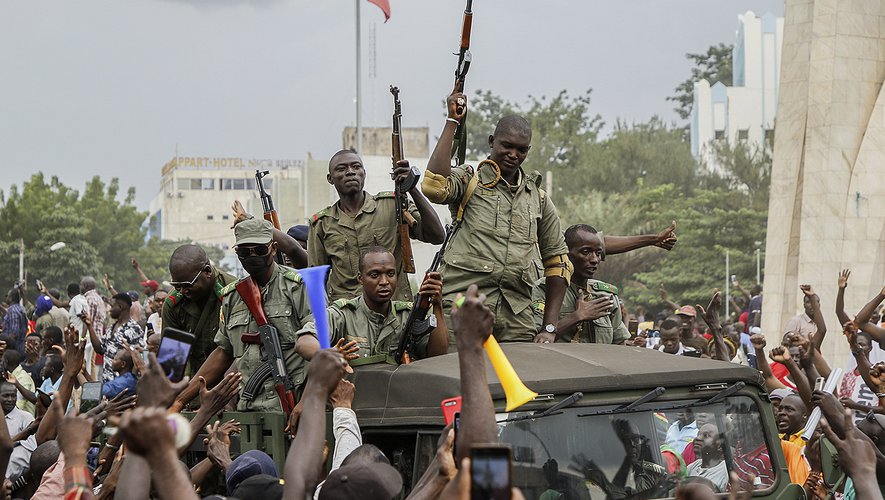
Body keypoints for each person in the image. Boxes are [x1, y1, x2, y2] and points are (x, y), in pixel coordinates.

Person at [422, 93, 571, 344]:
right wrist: (452, 121)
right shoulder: (471, 180)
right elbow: (433, 187)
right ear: (492, 141)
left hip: (516, 319)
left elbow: (558, 263)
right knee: (458, 379)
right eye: (507, 146)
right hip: (462, 307)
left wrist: (549, 327)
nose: (513, 154)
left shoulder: (539, 199)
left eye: (521, 150)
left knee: (514, 382)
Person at [174, 217, 312, 413]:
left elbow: (320, 351)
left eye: (260, 250)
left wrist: (306, 402)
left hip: (293, 404)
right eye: (245, 252)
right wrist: (180, 400)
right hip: (249, 408)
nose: (252, 256)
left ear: (273, 249)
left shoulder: (298, 287)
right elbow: (223, 352)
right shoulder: (233, 296)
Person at [308, 149, 445, 302]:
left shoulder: (393, 206)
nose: (350, 172)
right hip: (347, 316)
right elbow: (316, 282)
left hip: (394, 310)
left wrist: (411, 187)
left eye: (356, 167)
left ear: (364, 173)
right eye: (341, 169)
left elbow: (437, 235)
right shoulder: (321, 224)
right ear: (330, 178)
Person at [296, 247, 448, 365]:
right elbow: (304, 342)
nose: (384, 282)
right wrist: (327, 354)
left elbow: (437, 355)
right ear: (361, 278)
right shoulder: (343, 314)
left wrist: (437, 306)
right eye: (375, 275)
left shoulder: (407, 315)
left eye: (390, 274)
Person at [532, 224, 628, 344]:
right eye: (586, 252)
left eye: (598, 253)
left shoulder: (605, 296)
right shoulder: (542, 291)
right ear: (566, 253)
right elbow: (535, 341)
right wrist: (576, 317)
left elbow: (620, 344)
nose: (594, 260)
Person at [162, 244, 236, 372]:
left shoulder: (234, 294)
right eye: (177, 286)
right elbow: (173, 360)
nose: (183, 291)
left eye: (187, 285)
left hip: (231, 377)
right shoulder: (173, 304)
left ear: (207, 271)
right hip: (194, 379)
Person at [98, 293, 144, 383]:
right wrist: (89, 326)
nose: (109, 310)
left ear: (120, 307)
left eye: (112, 306)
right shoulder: (112, 327)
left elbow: (137, 359)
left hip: (122, 385)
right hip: (108, 382)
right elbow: (99, 349)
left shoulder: (134, 329)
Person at [684, 423, 728, 492]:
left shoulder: (726, 471)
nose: (697, 438)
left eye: (706, 436)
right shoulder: (692, 467)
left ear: (719, 446)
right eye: (698, 434)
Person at [3, 350, 35, 415]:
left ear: (6, 362)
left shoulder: (23, 378)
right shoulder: (11, 375)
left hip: (24, 421)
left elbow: (18, 406)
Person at [2, 288, 26, 354]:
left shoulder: (13, 311)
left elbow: (14, 333)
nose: (6, 298)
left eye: (7, 296)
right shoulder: (20, 308)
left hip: (13, 349)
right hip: (19, 347)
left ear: (11, 298)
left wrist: (7, 347)